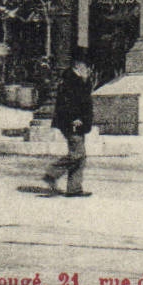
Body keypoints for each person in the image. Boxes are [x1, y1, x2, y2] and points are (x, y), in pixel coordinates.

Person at [43, 58, 94, 198]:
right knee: (77, 154)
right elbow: (66, 103)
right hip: (72, 123)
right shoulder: (70, 81)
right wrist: (74, 118)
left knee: (80, 156)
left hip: (79, 123)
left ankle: (74, 188)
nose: (88, 70)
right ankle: (51, 173)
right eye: (86, 66)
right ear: (79, 66)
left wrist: (85, 80)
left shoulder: (79, 80)